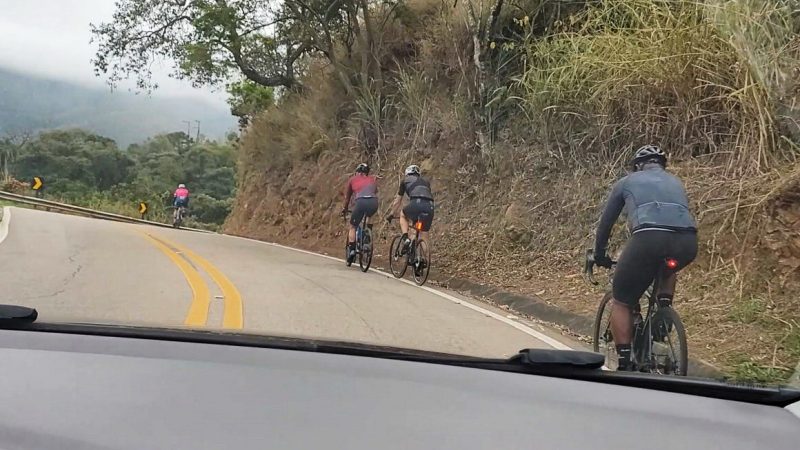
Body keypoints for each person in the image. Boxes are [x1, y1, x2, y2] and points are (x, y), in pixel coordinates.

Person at [593, 145, 698, 371]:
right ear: (661, 165)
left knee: (622, 300)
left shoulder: (626, 182)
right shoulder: (676, 182)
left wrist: (599, 254)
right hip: (687, 242)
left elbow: (606, 224)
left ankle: (625, 363)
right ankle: (663, 312)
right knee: (668, 267)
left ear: (637, 166)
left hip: (648, 239)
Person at [386, 164, 434, 253]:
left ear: (407, 174)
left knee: (403, 214)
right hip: (429, 206)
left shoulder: (405, 181)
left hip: (416, 204)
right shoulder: (426, 181)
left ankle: (406, 238)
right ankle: (425, 259)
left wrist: (391, 214)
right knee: (423, 234)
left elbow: (397, 201)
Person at [342, 163, 379, 264]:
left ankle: (352, 250)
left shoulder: (352, 179)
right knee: (370, 215)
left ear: (357, 172)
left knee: (352, 226)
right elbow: (374, 191)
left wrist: (345, 209)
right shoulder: (372, 179)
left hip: (360, 202)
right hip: (373, 202)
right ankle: (367, 234)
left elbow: (347, 198)